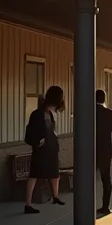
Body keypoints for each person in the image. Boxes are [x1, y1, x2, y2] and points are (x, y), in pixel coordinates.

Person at [24, 85, 66, 214]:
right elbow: (29, 134)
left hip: (51, 148)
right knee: (35, 175)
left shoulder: (49, 114)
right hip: (41, 150)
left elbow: (51, 130)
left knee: (55, 173)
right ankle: (28, 204)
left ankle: (55, 196)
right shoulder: (37, 114)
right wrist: (37, 142)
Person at [95, 88, 112, 217]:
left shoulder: (89, 113)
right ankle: (105, 206)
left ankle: (87, 205)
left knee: (87, 179)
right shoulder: (110, 113)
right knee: (106, 179)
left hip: (90, 150)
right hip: (105, 150)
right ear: (104, 99)